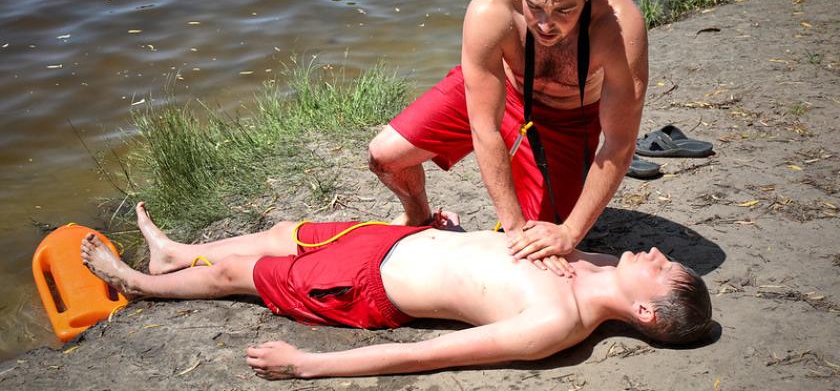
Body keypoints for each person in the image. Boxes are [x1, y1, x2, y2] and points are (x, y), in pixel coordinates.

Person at [81, 203, 711, 380]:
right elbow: (505, 244)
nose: (657, 253)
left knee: (239, 275)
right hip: (395, 240)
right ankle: (172, 255)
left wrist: (307, 364)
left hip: (366, 286)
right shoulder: (598, 262)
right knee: (280, 234)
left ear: (644, 310)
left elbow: (425, 356)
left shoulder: (556, 323)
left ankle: (139, 285)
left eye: (663, 269)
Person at [367, 0, 648, 276]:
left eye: (564, 10)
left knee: (539, 253)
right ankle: (420, 217)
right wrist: (513, 226)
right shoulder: (491, 10)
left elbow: (619, 144)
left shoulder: (620, 28)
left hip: (566, 119)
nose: (545, 24)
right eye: (535, 7)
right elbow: (484, 127)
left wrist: (570, 232)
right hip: (502, 91)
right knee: (384, 156)